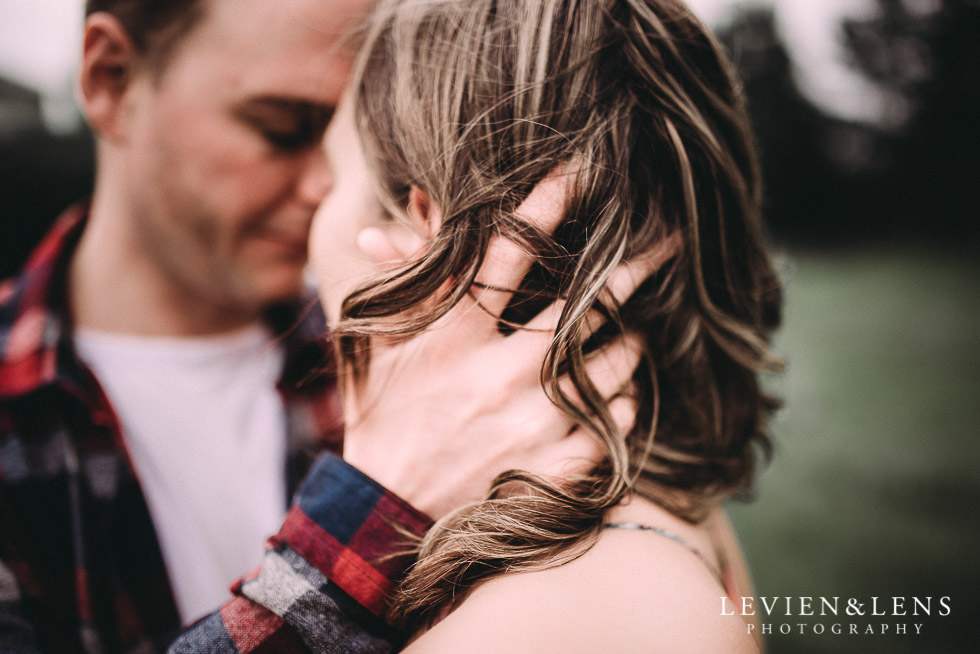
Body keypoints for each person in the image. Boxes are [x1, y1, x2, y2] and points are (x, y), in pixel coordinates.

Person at [0, 0, 621, 651]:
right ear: (112, 78)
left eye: (355, 140)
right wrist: (370, 520)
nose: (329, 186)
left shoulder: (424, 366)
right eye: (283, 128)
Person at [179, 0, 783, 650]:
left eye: (334, 180)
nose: (309, 221)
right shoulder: (670, 516)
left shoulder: (540, 625)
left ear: (421, 232)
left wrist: (360, 515)